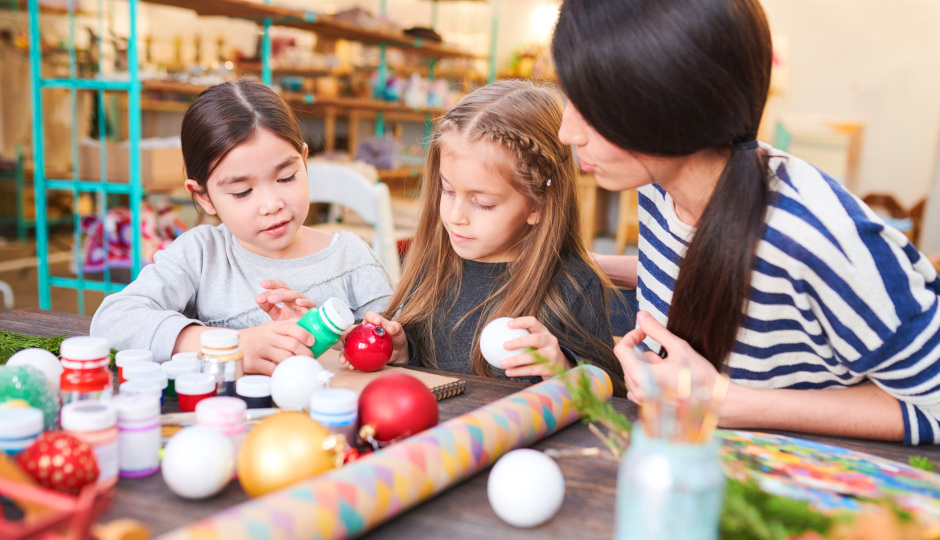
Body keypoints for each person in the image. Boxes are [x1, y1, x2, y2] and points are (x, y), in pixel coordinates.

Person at [553, 0, 940, 444]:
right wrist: (590, 266)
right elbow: (711, 268)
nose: (567, 131)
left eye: (590, 105)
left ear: (672, 108)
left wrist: (725, 401)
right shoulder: (659, 183)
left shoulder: (812, 237)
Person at [301, 81, 623, 392]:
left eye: (482, 203)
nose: (455, 216)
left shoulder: (574, 284)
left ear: (538, 204)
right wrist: (402, 352)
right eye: (447, 190)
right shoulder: (436, 266)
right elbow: (428, 367)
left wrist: (563, 370)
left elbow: (613, 393)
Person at [90, 79, 392, 374]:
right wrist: (231, 345)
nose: (271, 204)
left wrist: (366, 342)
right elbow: (111, 320)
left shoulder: (352, 259)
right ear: (204, 197)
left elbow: (408, 347)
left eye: (286, 177)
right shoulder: (200, 255)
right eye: (242, 192)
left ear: (303, 160)